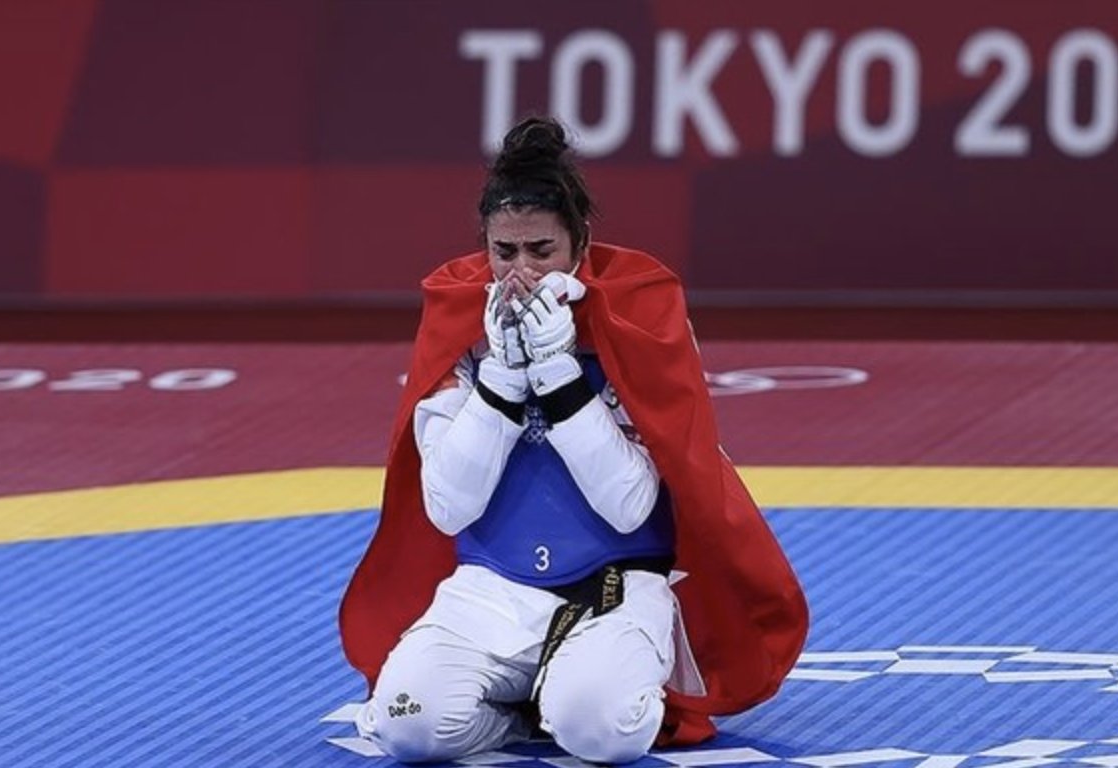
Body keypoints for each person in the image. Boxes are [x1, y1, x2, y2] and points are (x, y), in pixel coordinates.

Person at [338, 116, 808, 764]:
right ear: (485, 246)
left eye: (541, 249)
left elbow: (630, 507)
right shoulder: (458, 323)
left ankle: (579, 692)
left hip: (612, 589)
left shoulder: (639, 312)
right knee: (404, 726)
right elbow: (447, 508)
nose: (522, 273)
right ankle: (517, 713)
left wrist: (560, 376)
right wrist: (502, 380)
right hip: (490, 590)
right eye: (505, 252)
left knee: (600, 732)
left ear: (579, 241)